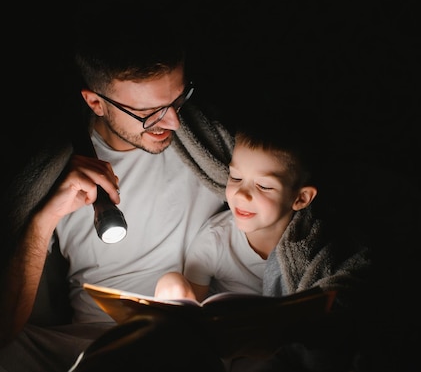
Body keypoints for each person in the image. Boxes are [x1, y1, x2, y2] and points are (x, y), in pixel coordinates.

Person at [0, 4, 233, 372]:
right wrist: (44, 218)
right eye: (149, 113)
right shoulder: (56, 171)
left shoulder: (214, 150)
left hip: (187, 338)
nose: (173, 121)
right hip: (86, 342)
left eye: (178, 99)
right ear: (95, 102)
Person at [155, 118, 373, 372]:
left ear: (300, 198)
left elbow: (346, 289)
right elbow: (190, 307)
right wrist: (172, 284)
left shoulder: (311, 243)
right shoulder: (215, 240)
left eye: (264, 186)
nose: (242, 194)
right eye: (236, 177)